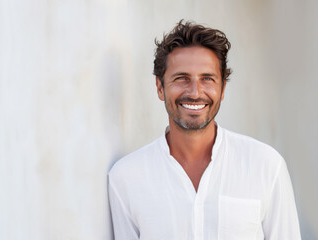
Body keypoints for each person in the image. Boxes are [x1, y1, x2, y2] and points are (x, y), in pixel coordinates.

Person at [108, 20, 301, 240]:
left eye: (207, 79)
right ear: (160, 87)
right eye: (181, 78)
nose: (195, 92)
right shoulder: (125, 178)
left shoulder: (267, 166)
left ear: (223, 88)